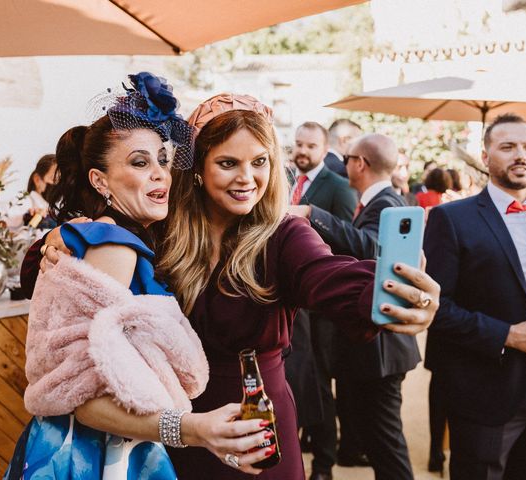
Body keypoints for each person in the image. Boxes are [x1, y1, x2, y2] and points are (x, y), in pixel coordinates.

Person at [27, 93, 440, 480]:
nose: (247, 178)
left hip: (253, 428)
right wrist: (56, 240)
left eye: (260, 162)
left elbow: (326, 274)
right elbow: (59, 274)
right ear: (199, 169)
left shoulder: (285, 236)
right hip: (169, 432)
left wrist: (384, 293)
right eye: (228, 163)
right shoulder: (158, 230)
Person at [7, 73, 273, 479]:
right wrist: (190, 430)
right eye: (139, 162)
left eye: (163, 161)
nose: (160, 175)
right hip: (94, 458)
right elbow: (80, 395)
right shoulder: (114, 245)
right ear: (100, 180)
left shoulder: (129, 236)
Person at [424, 113, 526, 480]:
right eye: (507, 147)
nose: (520, 155)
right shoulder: (452, 219)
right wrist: (508, 334)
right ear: (486, 157)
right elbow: (435, 310)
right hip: (486, 390)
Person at [290, 134, 420, 480]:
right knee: (377, 441)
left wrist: (310, 213)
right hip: (372, 347)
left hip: (382, 350)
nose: (344, 164)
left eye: (347, 158)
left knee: (386, 444)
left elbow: (375, 248)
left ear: (360, 163)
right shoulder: (378, 203)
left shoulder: (388, 205)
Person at [287, 121, 358, 480]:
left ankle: (325, 463)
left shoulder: (340, 187)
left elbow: (348, 245)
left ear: (324, 148)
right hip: (292, 309)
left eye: (310, 146)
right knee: (297, 383)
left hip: (324, 309)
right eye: (298, 144)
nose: (302, 151)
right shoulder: (285, 180)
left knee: (320, 385)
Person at [6, 154, 58, 230]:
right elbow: (6, 221)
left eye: (60, 181)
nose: (57, 185)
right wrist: (28, 215)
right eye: (54, 179)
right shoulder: (23, 202)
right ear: (37, 179)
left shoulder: (53, 208)